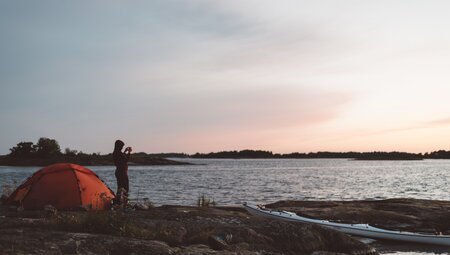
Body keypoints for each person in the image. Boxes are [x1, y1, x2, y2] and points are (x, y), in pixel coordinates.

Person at [113, 139, 132, 204]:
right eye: (121, 146)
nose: (122, 147)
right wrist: (129, 152)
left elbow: (122, 157)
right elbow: (125, 160)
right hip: (122, 172)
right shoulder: (118, 153)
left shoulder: (116, 153)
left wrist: (124, 152)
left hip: (119, 172)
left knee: (120, 188)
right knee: (125, 188)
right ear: (118, 146)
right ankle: (124, 202)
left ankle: (119, 202)